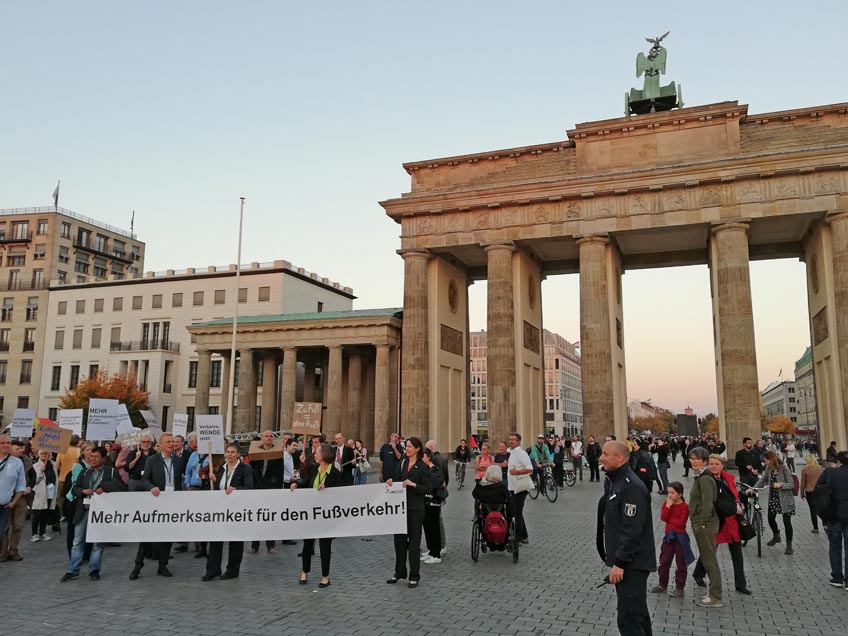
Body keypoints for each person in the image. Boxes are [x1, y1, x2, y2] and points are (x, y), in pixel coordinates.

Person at [596, 441, 656, 636]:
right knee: (638, 615)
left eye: (605, 454)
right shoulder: (617, 482)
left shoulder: (632, 487)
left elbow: (632, 530)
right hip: (628, 563)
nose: (600, 458)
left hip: (632, 564)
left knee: (629, 620)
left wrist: (619, 563)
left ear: (620, 458)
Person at [60, 446, 124, 581]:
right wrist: (83, 492)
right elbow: (75, 489)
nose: (92, 460)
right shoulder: (85, 472)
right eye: (90, 457)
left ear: (104, 458)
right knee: (77, 541)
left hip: (100, 513)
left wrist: (104, 488)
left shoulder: (111, 472)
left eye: (96, 457)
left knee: (97, 542)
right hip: (83, 510)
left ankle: (94, 569)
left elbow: (122, 487)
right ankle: (73, 570)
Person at [693, 454, 750, 595]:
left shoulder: (727, 479)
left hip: (731, 521)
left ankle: (740, 584)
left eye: (716, 464)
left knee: (737, 554)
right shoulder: (707, 480)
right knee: (710, 551)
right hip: (717, 521)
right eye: (711, 464)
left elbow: (734, 495)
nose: (713, 466)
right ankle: (698, 573)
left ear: (722, 465)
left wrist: (739, 502)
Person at [130, 433, 182, 580]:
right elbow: (145, 478)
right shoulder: (153, 460)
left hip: (172, 501)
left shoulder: (178, 461)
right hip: (156, 500)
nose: (171, 444)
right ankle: (138, 565)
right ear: (160, 444)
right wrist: (151, 487)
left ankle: (163, 565)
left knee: (168, 535)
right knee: (148, 535)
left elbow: (179, 481)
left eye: (173, 441)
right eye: (168, 442)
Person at [291, 443, 343, 588]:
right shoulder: (314, 469)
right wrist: (297, 484)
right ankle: (304, 571)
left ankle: (325, 576)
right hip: (311, 514)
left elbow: (341, 493)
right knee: (307, 544)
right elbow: (306, 482)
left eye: (317, 452)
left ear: (325, 454)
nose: (315, 454)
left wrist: (328, 488)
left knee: (325, 546)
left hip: (327, 516)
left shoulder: (335, 474)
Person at [203, 443, 254, 581]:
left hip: (237, 510)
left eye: (233, 452)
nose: (229, 454)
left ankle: (232, 570)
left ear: (238, 454)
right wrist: (215, 479)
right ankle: (213, 570)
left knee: (235, 540)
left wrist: (236, 489)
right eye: (227, 452)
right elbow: (221, 486)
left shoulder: (245, 468)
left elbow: (249, 487)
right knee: (215, 539)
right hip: (221, 509)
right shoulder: (222, 468)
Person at [386, 437, 432, 588]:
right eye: (406, 446)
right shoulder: (403, 463)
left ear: (418, 449)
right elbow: (397, 479)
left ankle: (414, 575)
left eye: (410, 446)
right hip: (400, 508)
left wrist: (413, 484)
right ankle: (399, 572)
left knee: (414, 542)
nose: (408, 448)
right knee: (399, 541)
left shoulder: (423, 467)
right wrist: (391, 482)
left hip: (416, 509)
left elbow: (427, 488)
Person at [688, 446, 722, 607]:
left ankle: (715, 596)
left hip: (705, 525)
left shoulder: (705, 479)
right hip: (702, 524)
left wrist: (701, 522)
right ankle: (714, 594)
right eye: (692, 458)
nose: (694, 461)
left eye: (697, 459)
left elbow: (708, 503)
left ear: (705, 461)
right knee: (708, 559)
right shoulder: (700, 477)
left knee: (710, 561)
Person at [651, 481, 693, 597]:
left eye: (672, 493)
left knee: (681, 563)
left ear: (679, 494)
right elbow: (663, 518)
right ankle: (662, 584)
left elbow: (681, 523)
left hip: (680, 537)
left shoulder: (684, 507)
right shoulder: (666, 504)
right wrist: (668, 507)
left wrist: (670, 520)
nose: (670, 495)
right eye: (668, 492)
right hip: (668, 537)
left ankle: (680, 588)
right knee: (664, 561)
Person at [749, 450, 796, 555]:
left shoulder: (784, 468)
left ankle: (789, 546)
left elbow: (791, 484)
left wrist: (781, 485)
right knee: (770, 518)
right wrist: (753, 488)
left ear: (771, 460)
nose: (765, 463)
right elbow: (763, 480)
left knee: (787, 522)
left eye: (766, 461)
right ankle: (776, 535)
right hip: (774, 498)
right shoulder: (769, 469)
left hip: (785, 499)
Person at [250, 430, 285, 555]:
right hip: (258, 488)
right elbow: (252, 471)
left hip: (272, 489)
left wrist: (278, 490)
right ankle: (255, 545)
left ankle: (270, 545)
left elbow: (280, 473)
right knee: (256, 518)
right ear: (262, 438)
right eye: (266, 436)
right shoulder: (256, 453)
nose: (269, 438)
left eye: (271, 436)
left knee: (270, 518)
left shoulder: (278, 453)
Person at [817, 450, 848, 589]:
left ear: (838, 462)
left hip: (834, 516)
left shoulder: (830, 473)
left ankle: (837, 578)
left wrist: (823, 516)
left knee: (835, 547)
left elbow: (818, 492)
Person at [0, 440, 35, 562]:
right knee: (4, 527)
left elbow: (32, 476)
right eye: (17, 448)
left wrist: (29, 486)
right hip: (5, 497)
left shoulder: (24, 460)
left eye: (21, 448)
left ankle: (14, 550)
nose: (20, 450)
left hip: (21, 497)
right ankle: (2, 552)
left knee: (18, 525)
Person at [507, 433, 533, 545]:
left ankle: (517, 537)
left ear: (518, 441)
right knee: (518, 511)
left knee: (516, 511)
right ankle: (524, 536)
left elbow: (529, 468)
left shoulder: (521, 453)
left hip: (521, 488)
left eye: (513, 440)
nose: (511, 441)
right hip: (513, 487)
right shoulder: (511, 453)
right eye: (510, 439)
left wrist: (516, 472)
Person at [421, 447, 445, 564]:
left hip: (434, 501)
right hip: (426, 501)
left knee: (434, 527)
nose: (421, 458)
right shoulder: (425, 469)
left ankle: (436, 554)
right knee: (427, 526)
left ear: (428, 457)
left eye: (423, 456)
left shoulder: (434, 469)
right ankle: (431, 550)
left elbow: (436, 483)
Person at [425, 440, 449, 556]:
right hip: (440, 493)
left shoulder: (434, 461)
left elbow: (438, 479)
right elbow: (446, 478)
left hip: (434, 494)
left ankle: (440, 546)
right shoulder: (443, 459)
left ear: (430, 448)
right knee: (437, 519)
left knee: (436, 521)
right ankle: (438, 546)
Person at [31, 449, 58, 542]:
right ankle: (34, 533)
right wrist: (41, 472)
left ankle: (42, 532)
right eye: (42, 453)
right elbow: (34, 481)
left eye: (46, 453)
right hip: (39, 493)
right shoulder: (35, 466)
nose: (44, 455)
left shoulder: (53, 465)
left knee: (45, 514)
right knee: (37, 514)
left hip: (50, 492)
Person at [801, 453, 825, 533]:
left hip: (810, 492)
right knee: (822, 508)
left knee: (813, 510)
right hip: (820, 491)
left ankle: (815, 528)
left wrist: (802, 493)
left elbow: (803, 483)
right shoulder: (821, 469)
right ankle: (825, 525)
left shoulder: (805, 470)